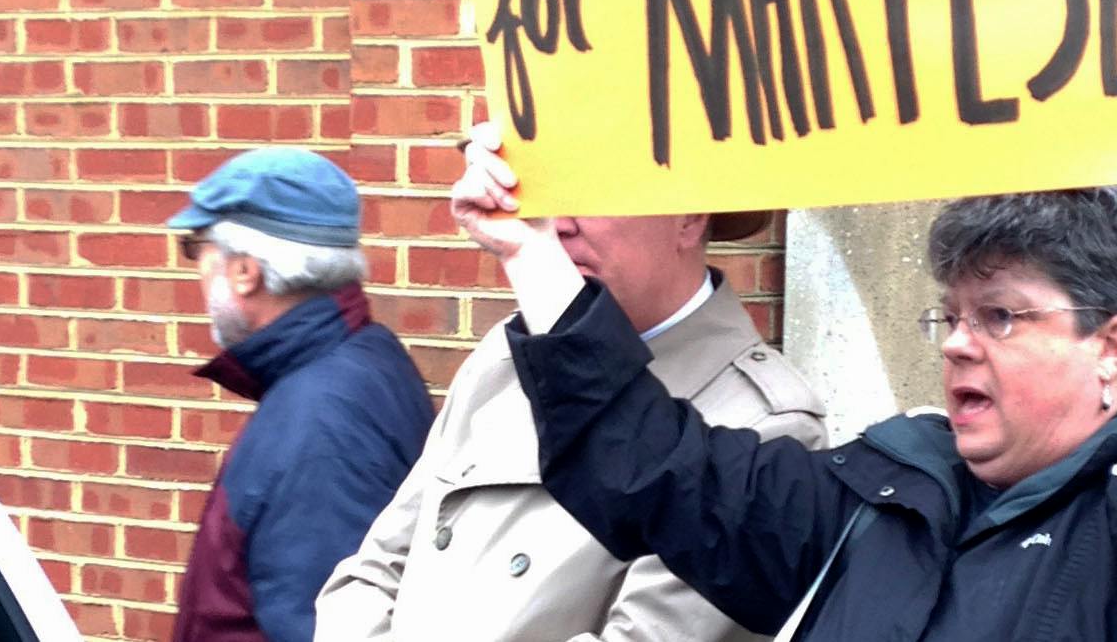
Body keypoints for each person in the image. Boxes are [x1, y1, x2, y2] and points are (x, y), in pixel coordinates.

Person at [451, 7, 1117, 642]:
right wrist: (530, 253)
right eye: (950, 315)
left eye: (999, 316)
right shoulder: (877, 499)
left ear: (1109, 348)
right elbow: (651, 469)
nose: (956, 342)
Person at [315, 201, 828, 642]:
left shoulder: (766, 422)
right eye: (544, 194)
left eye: (592, 194)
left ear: (689, 216)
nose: (558, 224)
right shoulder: (505, 358)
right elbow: (370, 574)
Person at [167, 147, 433, 642]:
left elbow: (324, 626)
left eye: (196, 248)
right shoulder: (358, 358)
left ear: (245, 271)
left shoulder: (323, 426)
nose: (196, 269)